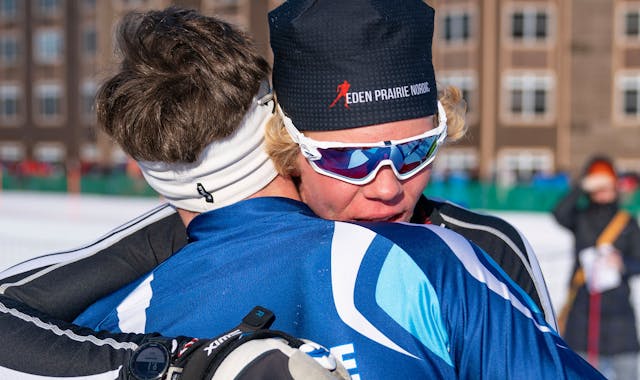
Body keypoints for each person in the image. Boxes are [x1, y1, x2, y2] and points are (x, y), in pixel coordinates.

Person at [0, 0, 561, 376]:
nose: (389, 189)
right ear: (285, 147)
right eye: (349, 159)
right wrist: (193, 360)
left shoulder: (484, 248)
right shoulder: (189, 232)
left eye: (416, 150)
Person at [553, 155, 640, 380]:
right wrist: (582, 185)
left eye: (607, 185)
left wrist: (622, 264)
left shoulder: (627, 223)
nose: (602, 191)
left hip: (620, 320)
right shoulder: (581, 218)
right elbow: (559, 212)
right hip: (582, 314)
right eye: (597, 186)